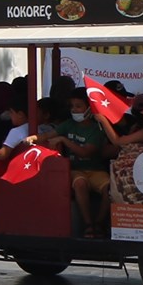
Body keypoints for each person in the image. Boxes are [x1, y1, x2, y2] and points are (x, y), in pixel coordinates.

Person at [46, 88, 114, 236]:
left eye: (78, 106)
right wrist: (32, 138)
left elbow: (85, 152)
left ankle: (100, 223)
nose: (74, 110)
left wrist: (64, 139)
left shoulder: (97, 129)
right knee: (80, 183)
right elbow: (47, 136)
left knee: (111, 188)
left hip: (96, 170)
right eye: (72, 106)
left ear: (89, 108)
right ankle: (88, 224)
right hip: (75, 169)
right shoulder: (68, 124)